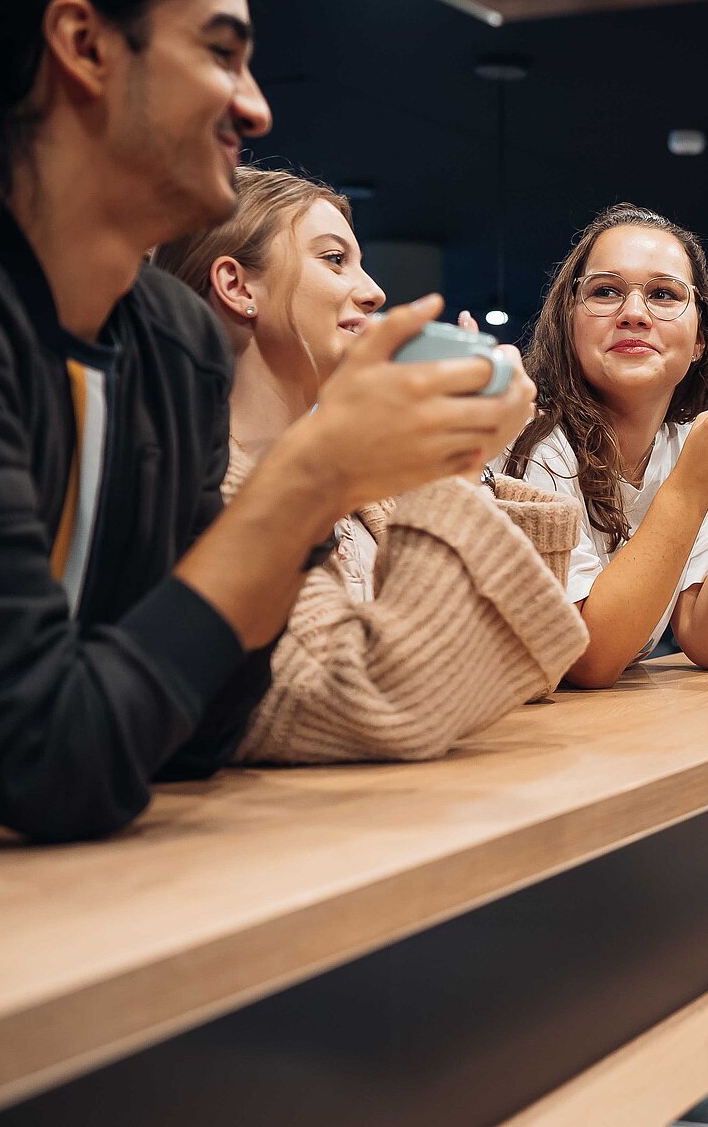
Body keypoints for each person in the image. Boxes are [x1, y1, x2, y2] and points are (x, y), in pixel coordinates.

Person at [0, 0, 520, 840]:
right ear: (83, 45)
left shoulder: (170, 344)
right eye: (221, 54)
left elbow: (195, 728)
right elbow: (50, 757)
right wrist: (306, 482)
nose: (255, 108)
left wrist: (320, 494)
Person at [155, 166, 588, 762]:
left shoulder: (365, 484)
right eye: (334, 259)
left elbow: (528, 669)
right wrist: (451, 462)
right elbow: (381, 710)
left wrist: (471, 459)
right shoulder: (197, 485)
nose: (374, 290)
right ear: (237, 286)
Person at [500, 203, 708, 688]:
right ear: (569, 322)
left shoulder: (689, 446)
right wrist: (689, 489)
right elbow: (588, 660)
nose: (633, 314)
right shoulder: (528, 440)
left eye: (663, 294)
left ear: (700, 341)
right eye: (605, 292)